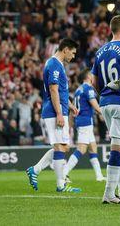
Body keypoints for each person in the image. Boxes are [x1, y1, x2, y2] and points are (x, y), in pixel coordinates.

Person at [91, 15, 120, 204]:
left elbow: (93, 81)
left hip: (105, 101)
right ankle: (109, 193)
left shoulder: (100, 51)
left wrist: (105, 93)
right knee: (118, 147)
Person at [26, 38, 81, 193]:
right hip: (54, 111)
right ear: (65, 50)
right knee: (60, 147)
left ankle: (35, 170)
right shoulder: (54, 65)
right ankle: (60, 185)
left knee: (63, 147)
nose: (74, 56)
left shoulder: (58, 65)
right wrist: (59, 113)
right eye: (73, 53)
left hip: (60, 109)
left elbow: (61, 92)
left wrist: (70, 106)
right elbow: (53, 90)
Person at [63, 68, 106, 182]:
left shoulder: (78, 89)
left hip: (82, 122)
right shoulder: (88, 89)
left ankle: (99, 176)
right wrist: (105, 113)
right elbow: (95, 105)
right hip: (85, 122)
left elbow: (73, 108)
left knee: (93, 148)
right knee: (81, 149)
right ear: (88, 77)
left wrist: (71, 124)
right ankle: (64, 173)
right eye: (91, 75)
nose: (93, 76)